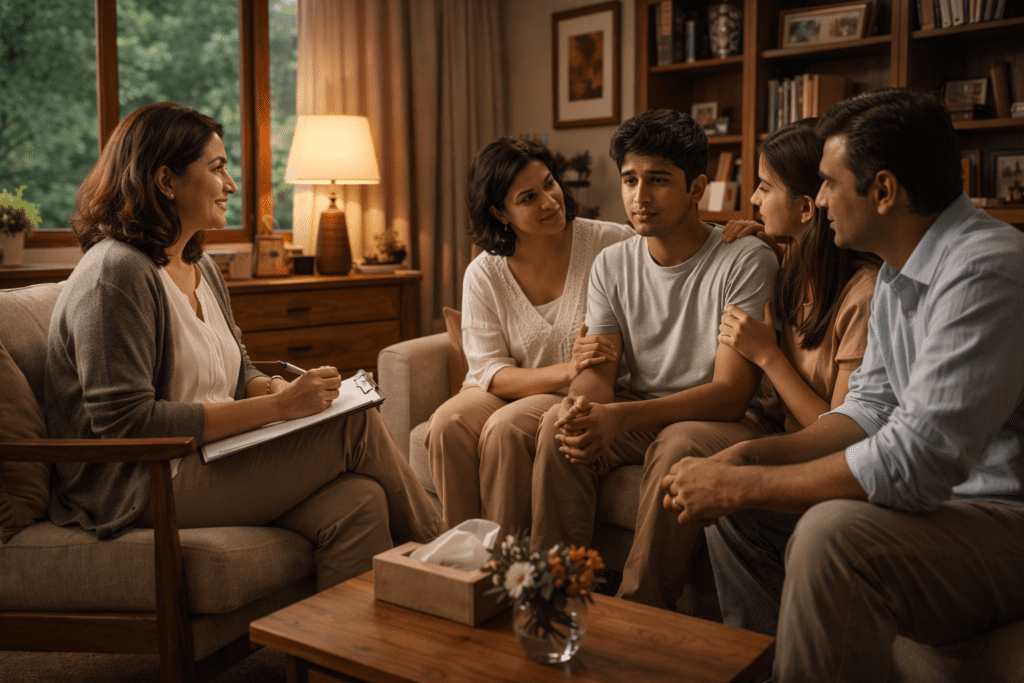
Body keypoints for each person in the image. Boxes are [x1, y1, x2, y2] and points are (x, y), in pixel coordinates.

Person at [662, 88, 1024, 682]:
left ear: (882, 191)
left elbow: (916, 460)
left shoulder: (987, 267)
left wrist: (746, 482)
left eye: (829, 183)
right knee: (738, 506)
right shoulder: (894, 273)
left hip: (999, 516)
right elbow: (867, 410)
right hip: (937, 511)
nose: (820, 199)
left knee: (832, 535)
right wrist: (749, 458)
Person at [46, 102, 441, 591]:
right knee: (354, 423)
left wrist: (282, 389)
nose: (231, 184)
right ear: (166, 180)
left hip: (211, 455)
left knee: (360, 501)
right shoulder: (116, 273)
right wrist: (278, 409)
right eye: (217, 169)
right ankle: (448, 562)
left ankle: (344, 662)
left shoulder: (201, 266)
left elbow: (235, 374)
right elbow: (126, 423)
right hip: (142, 481)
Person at [522, 108, 781, 610]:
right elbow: (598, 375)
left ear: (697, 187)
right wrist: (583, 408)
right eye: (630, 180)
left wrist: (618, 416)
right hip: (642, 410)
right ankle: (555, 600)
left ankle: (640, 614)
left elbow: (730, 396)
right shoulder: (612, 263)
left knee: (678, 441)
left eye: (658, 181)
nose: (640, 197)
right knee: (560, 426)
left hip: (725, 420)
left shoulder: (745, 259)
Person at [426, 136, 632, 532]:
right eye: (528, 198)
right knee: (447, 423)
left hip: (584, 392)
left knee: (507, 427)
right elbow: (490, 373)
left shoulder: (610, 242)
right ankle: (462, 554)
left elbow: (672, 245)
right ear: (499, 213)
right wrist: (568, 369)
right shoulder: (484, 274)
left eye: (550, 184)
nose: (550, 202)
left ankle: (506, 562)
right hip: (508, 387)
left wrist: (736, 234)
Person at [718, 118, 880, 436]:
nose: (753, 199)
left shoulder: (865, 296)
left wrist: (767, 355)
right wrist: (770, 251)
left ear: (806, 208)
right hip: (777, 428)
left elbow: (838, 430)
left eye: (764, 187)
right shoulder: (792, 262)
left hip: (821, 448)